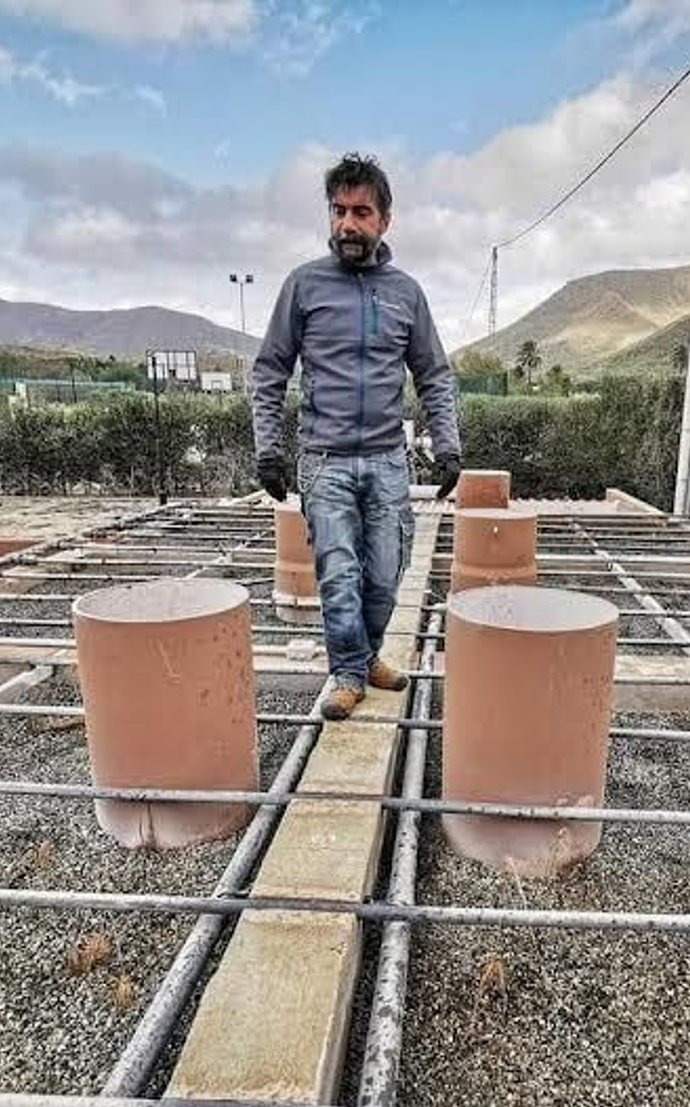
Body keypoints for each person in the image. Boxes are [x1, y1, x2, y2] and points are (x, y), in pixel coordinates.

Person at [251, 152, 462, 721]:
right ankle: (347, 672)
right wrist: (267, 448)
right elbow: (270, 369)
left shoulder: (406, 293)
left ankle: (366, 658)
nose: (347, 223)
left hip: (388, 460)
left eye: (361, 212)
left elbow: (434, 374)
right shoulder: (304, 285)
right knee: (339, 572)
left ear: (383, 221)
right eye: (339, 211)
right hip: (324, 461)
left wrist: (448, 447)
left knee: (388, 573)